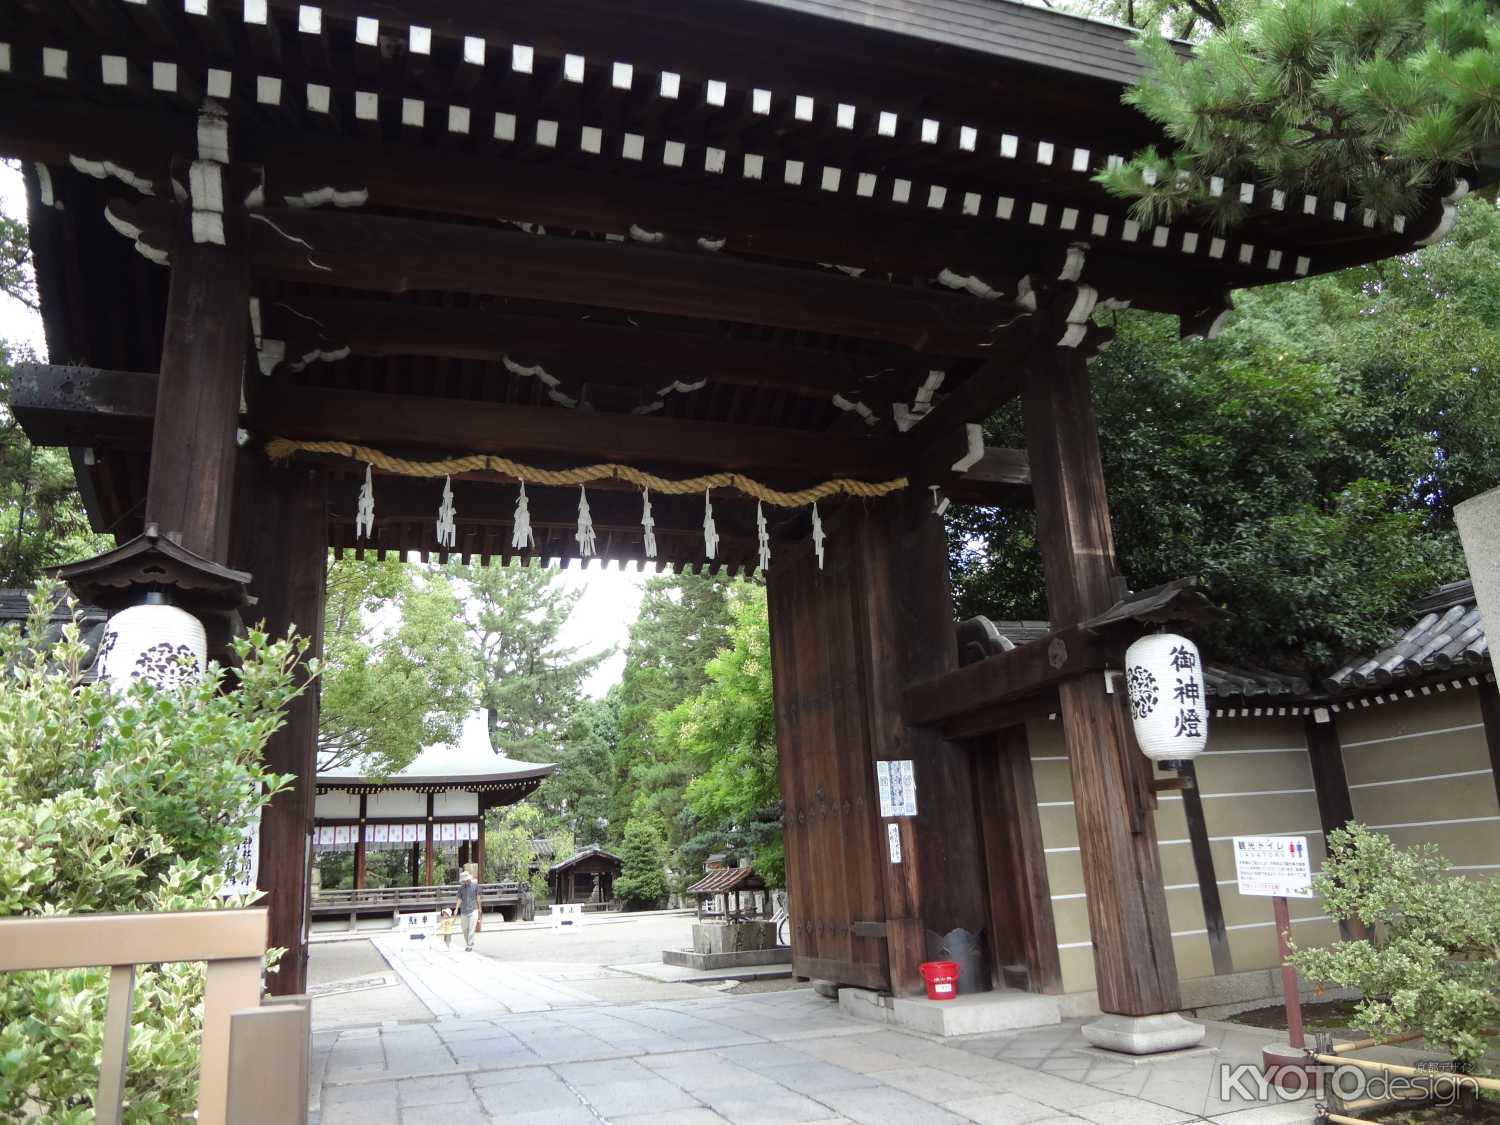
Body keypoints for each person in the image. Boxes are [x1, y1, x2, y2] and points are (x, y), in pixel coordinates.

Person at [455, 870, 481, 952]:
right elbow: (459, 899)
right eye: (464, 880)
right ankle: (468, 943)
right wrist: (456, 909)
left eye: (466, 880)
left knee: (471, 929)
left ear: (469, 879)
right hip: (464, 911)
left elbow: (478, 897)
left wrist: (480, 908)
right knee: (464, 929)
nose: (465, 881)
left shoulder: (475, 886)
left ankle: (469, 945)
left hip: (473, 909)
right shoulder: (461, 888)